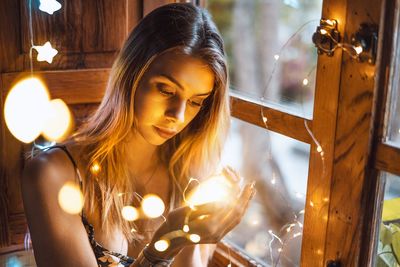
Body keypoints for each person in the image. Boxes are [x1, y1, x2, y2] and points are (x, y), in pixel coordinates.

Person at [21, 3, 255, 267]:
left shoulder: (196, 174)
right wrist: (165, 246)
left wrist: (189, 240)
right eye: (166, 90)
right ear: (130, 75)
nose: (177, 116)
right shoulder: (53, 175)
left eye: (195, 102)